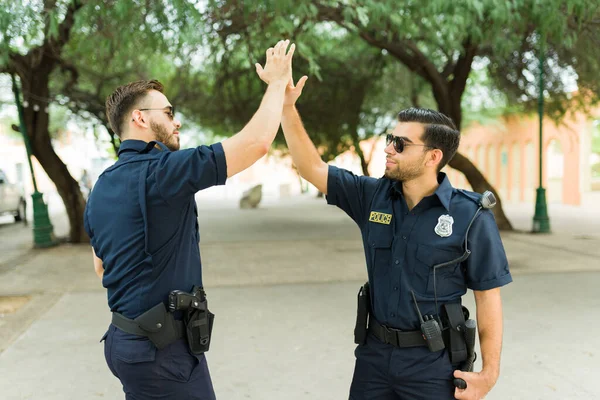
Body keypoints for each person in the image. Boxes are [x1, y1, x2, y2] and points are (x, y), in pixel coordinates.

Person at [273, 72, 512, 400]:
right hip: (374, 359)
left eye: (400, 143)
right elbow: (311, 167)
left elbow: (488, 297)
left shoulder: (470, 215)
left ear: (432, 157)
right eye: (389, 138)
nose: (388, 148)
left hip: (434, 364)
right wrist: (287, 107)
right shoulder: (371, 196)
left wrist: (489, 373)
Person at [84, 39, 295, 399]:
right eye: (167, 112)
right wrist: (277, 85)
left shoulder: (101, 186)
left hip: (124, 343)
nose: (176, 119)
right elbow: (256, 144)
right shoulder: (163, 172)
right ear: (139, 118)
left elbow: (101, 267)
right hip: (163, 355)